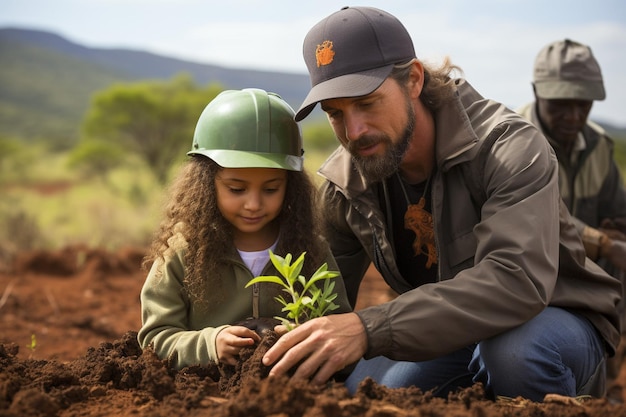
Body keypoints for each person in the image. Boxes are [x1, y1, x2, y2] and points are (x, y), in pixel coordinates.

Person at [261, 6, 621, 402]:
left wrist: (369, 328)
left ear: (413, 80)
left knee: (515, 355)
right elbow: (324, 302)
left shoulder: (508, 147)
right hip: (452, 330)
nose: (354, 132)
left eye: (367, 103)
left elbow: (516, 281)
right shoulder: (347, 185)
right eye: (336, 114)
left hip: (553, 317)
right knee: (377, 391)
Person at [137, 88, 352, 370]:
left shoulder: (311, 249)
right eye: (236, 189)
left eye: (271, 189)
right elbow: (155, 339)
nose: (253, 204)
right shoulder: (180, 253)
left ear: (291, 186)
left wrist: (303, 340)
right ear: (205, 183)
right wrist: (210, 344)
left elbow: (338, 326)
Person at [517, 38, 626, 325]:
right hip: (525, 298)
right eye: (561, 105)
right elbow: (538, 219)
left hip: (588, 297)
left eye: (584, 105)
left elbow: (617, 214)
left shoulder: (598, 146)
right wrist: (604, 243)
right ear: (537, 91)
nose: (574, 117)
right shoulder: (511, 144)